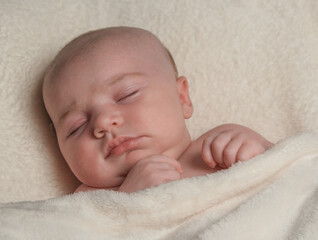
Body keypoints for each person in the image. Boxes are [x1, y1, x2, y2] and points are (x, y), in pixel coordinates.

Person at [42, 26, 273, 193]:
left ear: (182, 97)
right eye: (77, 127)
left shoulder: (220, 144)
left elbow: (296, 173)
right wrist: (127, 204)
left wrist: (262, 156)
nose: (102, 122)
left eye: (127, 95)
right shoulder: (90, 201)